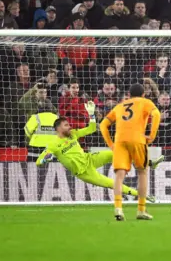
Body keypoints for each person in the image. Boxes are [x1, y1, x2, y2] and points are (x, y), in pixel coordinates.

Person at [35, 101, 163, 200]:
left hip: (90, 159)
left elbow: (91, 128)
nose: (70, 126)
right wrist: (46, 158)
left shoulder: (73, 134)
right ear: (58, 129)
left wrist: (91, 114)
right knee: (111, 183)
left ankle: (150, 163)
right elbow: (38, 161)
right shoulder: (52, 145)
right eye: (66, 125)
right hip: (84, 172)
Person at [100, 83, 161, 221]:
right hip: (137, 139)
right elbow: (156, 114)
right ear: (143, 94)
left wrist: (111, 144)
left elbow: (103, 124)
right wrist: (151, 136)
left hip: (120, 142)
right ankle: (141, 210)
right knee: (142, 172)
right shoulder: (146, 102)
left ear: (129, 95)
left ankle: (118, 208)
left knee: (119, 176)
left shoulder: (120, 105)